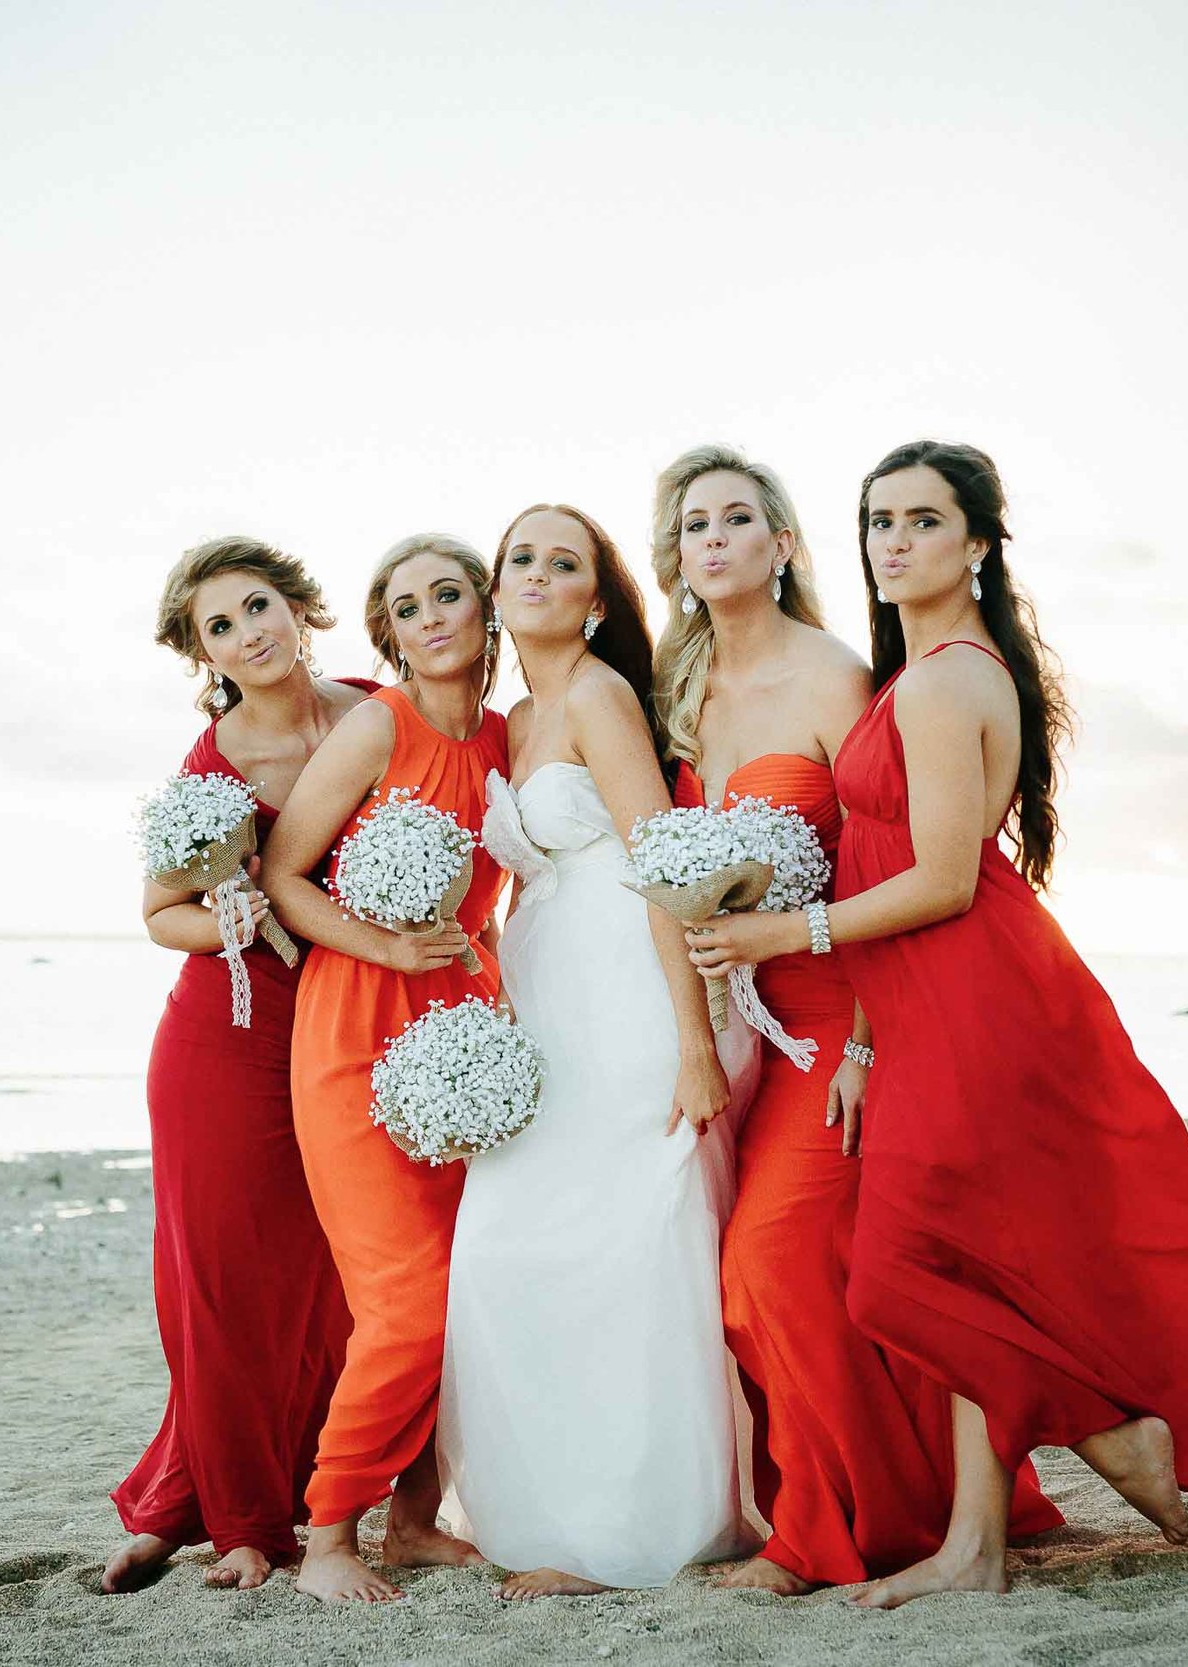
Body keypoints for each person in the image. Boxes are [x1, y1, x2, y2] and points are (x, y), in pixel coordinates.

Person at [686, 440, 1188, 1603]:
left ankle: (1114, 1433)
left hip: (973, 994)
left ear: (978, 544)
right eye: (877, 521)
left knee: (893, 1281)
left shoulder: (951, 676)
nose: (893, 542)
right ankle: (976, 1544)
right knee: (961, 1266)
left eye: (921, 520)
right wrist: (856, 1035)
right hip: (916, 1004)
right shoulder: (911, 676)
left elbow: (946, 877)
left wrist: (781, 939)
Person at [653, 443, 1061, 1594]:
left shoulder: (841, 677)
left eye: (742, 517)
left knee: (769, 1265)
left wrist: (871, 1040)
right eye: (696, 525)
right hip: (749, 1022)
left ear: (785, 544)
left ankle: (816, 1537)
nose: (717, 539)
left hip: (838, 1013)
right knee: (793, 1275)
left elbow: (889, 866)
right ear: (677, 557)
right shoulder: (681, 690)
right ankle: (888, 1509)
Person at [437, 503, 747, 1598]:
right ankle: (546, 1511)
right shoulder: (514, 714)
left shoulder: (603, 695)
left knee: (625, 1249)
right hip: (544, 993)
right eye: (518, 555)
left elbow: (659, 861)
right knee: (506, 1250)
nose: (533, 573)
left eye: (560, 561)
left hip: (626, 990)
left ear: (597, 598)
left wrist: (693, 1039)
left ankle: (629, 1531)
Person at [105, 537, 374, 1592]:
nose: (248, 632)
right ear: (202, 653)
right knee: (217, 1287)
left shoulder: (376, 715)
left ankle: (194, 1504)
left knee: (321, 1286)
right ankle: (240, 1522)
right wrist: (229, 916)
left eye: (257, 605)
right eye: (220, 625)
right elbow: (156, 913)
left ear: (299, 607)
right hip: (221, 1038)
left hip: (351, 1027)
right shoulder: (210, 762)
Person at [262, 534, 510, 1604]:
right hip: (355, 1024)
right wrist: (390, 946)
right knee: (405, 1298)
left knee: (468, 1287)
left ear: (482, 611)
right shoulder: (377, 724)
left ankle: (413, 1520)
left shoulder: (511, 737)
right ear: (389, 633)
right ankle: (329, 1532)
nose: (430, 617)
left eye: (447, 594)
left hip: (467, 1036)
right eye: (406, 606)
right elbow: (282, 876)